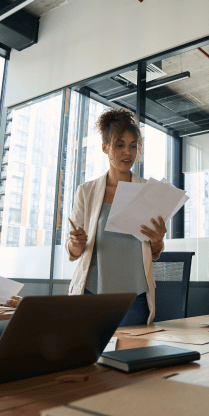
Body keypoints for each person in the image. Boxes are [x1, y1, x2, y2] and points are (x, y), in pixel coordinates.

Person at [67, 109, 167, 326]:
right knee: (89, 357)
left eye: (133, 146)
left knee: (131, 355)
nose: (127, 152)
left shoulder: (147, 191)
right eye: (119, 145)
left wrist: (157, 241)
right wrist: (75, 243)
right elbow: (74, 252)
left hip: (135, 296)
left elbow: (154, 251)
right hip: (92, 292)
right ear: (105, 147)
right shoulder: (87, 191)